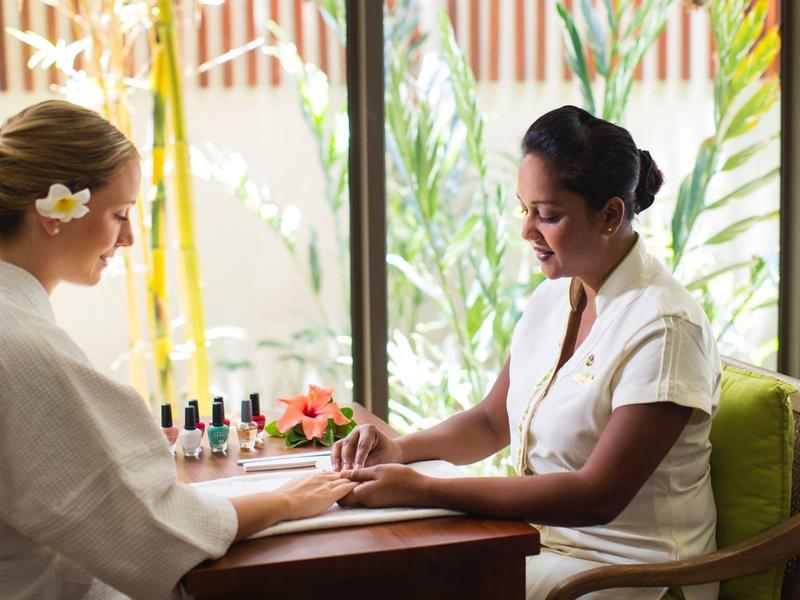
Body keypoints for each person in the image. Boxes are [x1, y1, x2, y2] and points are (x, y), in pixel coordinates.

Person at [331, 105, 720, 600]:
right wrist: (402, 450)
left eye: (548, 215)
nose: (527, 230)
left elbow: (596, 497)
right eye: (524, 209)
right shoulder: (554, 296)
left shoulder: (665, 327)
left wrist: (423, 489)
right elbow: (493, 422)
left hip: (635, 575)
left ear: (610, 215)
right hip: (544, 549)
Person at [0, 100, 356, 599]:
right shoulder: (22, 350)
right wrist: (286, 501)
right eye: (119, 214)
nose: (127, 237)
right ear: (53, 212)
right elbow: (148, 528)